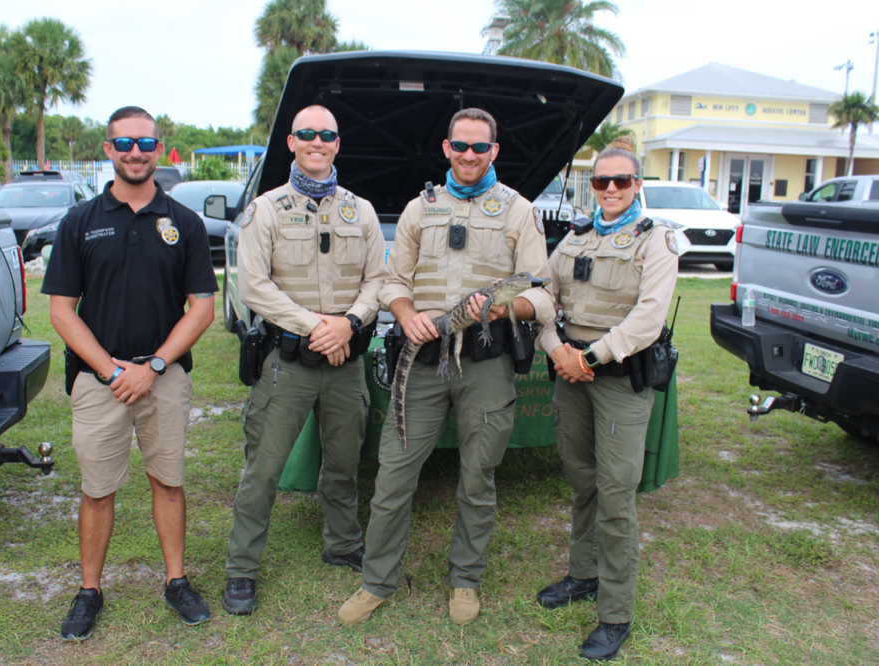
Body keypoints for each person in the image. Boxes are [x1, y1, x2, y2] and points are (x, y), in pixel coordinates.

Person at [337, 108, 555, 627]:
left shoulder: (519, 210)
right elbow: (392, 279)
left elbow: (543, 293)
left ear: (494, 152)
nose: (470, 155)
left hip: (485, 361)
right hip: (424, 360)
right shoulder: (420, 208)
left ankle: (465, 580)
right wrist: (406, 312)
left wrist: (510, 307)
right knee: (393, 475)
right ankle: (376, 581)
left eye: (480, 147)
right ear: (446, 147)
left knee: (477, 476)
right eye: (461, 146)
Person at [43, 106, 218, 640]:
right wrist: (111, 369)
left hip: (163, 377)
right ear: (108, 149)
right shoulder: (80, 221)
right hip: (100, 381)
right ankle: (89, 590)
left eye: (146, 143)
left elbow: (203, 306)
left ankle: (177, 581)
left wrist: (155, 366)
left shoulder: (183, 222)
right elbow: (61, 310)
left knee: (168, 482)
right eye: (125, 144)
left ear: (159, 150)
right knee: (97, 490)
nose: (136, 153)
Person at [222, 105, 389, 616]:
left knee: (343, 462)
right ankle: (241, 569)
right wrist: (318, 325)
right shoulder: (266, 210)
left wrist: (351, 323)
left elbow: (379, 281)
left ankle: (342, 543)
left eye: (327, 135)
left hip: (346, 361)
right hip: (287, 362)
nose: (318, 142)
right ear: (291, 142)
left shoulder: (360, 211)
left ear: (338, 144)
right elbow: (254, 285)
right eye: (307, 134)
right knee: (264, 468)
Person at [535, 137, 678, 661]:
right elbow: (541, 297)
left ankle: (615, 613)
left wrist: (588, 358)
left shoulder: (655, 240)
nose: (611, 189)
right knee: (581, 479)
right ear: (591, 186)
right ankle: (584, 573)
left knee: (616, 494)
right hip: (571, 374)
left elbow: (648, 318)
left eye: (622, 180)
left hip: (615, 378)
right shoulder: (574, 237)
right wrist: (556, 351)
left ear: (637, 184)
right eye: (602, 181)